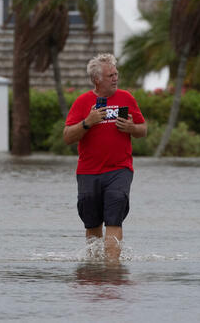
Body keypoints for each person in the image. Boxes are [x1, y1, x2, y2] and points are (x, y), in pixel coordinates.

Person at [63, 53, 147, 260]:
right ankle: (94, 268)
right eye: (110, 75)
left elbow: (143, 130)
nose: (115, 78)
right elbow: (67, 137)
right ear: (96, 79)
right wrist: (87, 122)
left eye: (116, 74)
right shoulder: (83, 102)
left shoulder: (126, 98)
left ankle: (112, 269)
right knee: (92, 224)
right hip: (88, 172)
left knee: (114, 218)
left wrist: (131, 127)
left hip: (120, 169)